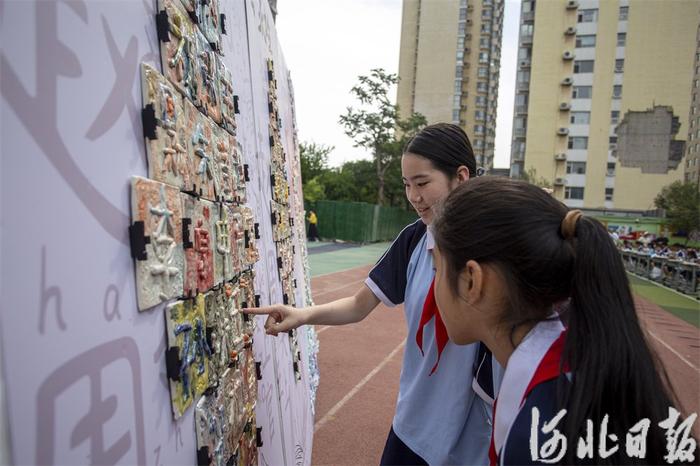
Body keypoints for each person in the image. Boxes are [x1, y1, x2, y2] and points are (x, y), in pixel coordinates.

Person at [245, 123, 501, 465]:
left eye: (423, 183)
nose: (413, 197)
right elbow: (358, 305)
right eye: (407, 185)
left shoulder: (496, 252)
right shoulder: (414, 240)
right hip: (412, 423)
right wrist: (303, 315)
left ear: (461, 177)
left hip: (473, 438)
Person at [430, 177, 684, 465]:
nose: (434, 283)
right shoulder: (581, 356)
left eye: (436, 268)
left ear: (472, 281)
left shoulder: (539, 434)